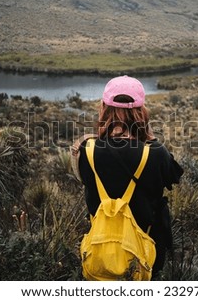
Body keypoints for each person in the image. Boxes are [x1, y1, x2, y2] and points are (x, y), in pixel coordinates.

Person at [71, 75, 183, 277]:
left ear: (104, 109)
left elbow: (82, 177)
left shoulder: (86, 151)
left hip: (101, 250)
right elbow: (174, 176)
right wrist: (149, 135)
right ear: (141, 113)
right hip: (146, 250)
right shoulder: (155, 153)